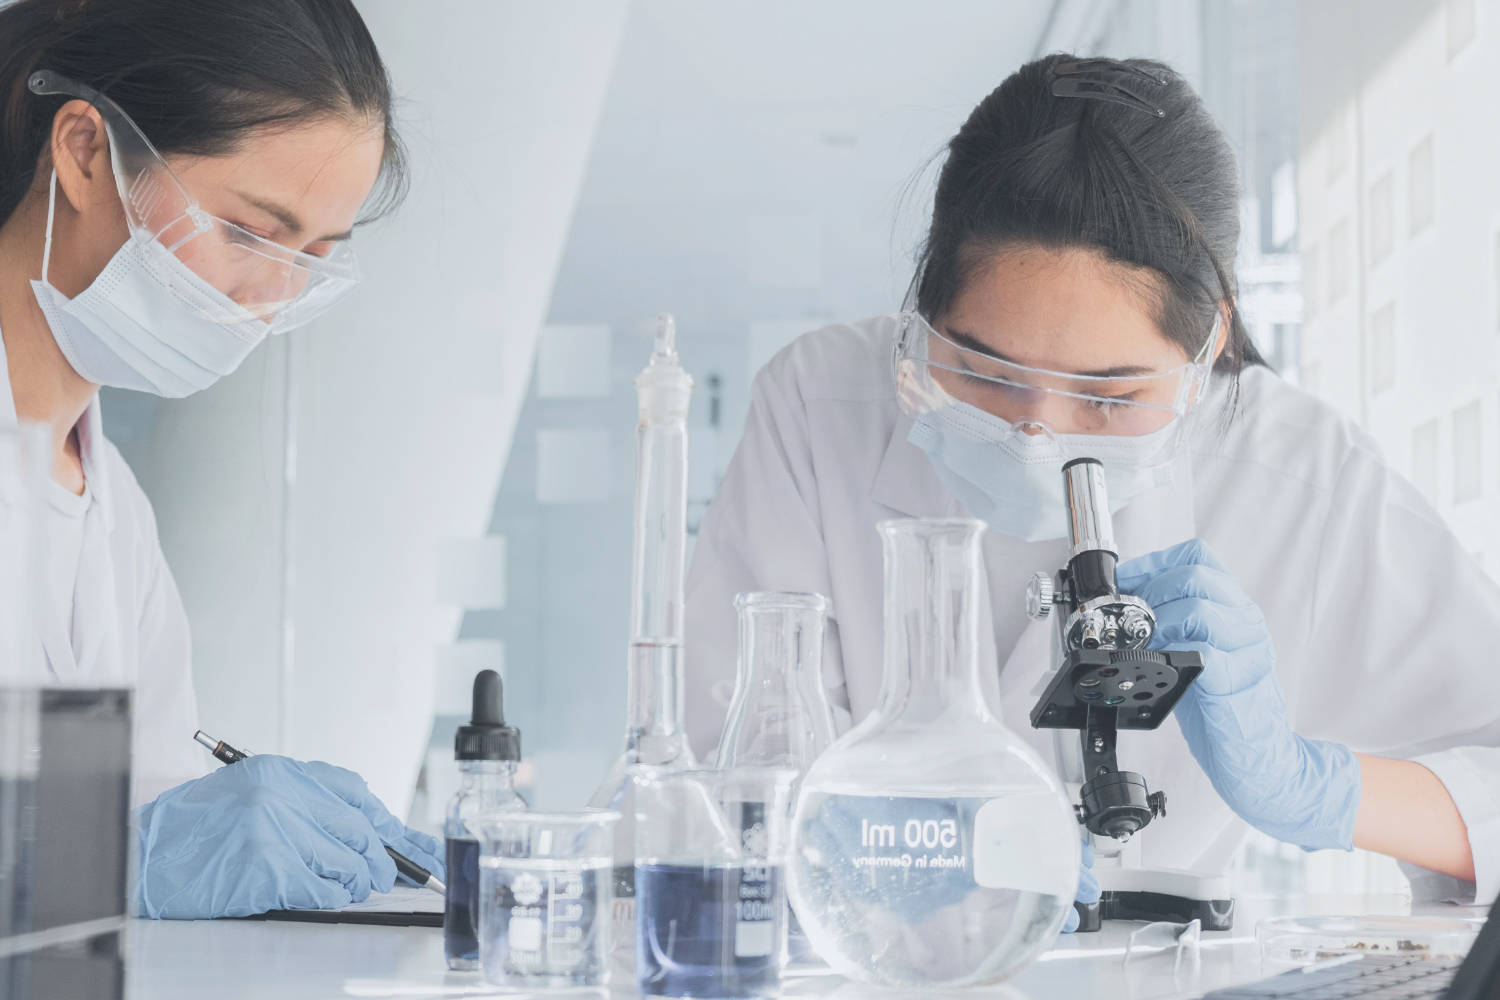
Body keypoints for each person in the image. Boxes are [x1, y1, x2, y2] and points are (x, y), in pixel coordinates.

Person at [685, 54, 1499, 921]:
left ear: (1210, 340)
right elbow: (718, 780)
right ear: (923, 308)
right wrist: (901, 840)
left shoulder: (1304, 478)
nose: (1037, 435)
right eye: (985, 370)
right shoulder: (819, 408)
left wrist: (1309, 787)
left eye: (1108, 395)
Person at [0, 0, 442, 918]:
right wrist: (129, 865)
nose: (270, 298)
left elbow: (134, 844)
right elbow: (113, 865)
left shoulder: (110, 510)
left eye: (314, 258)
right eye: (252, 233)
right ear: (84, 152)